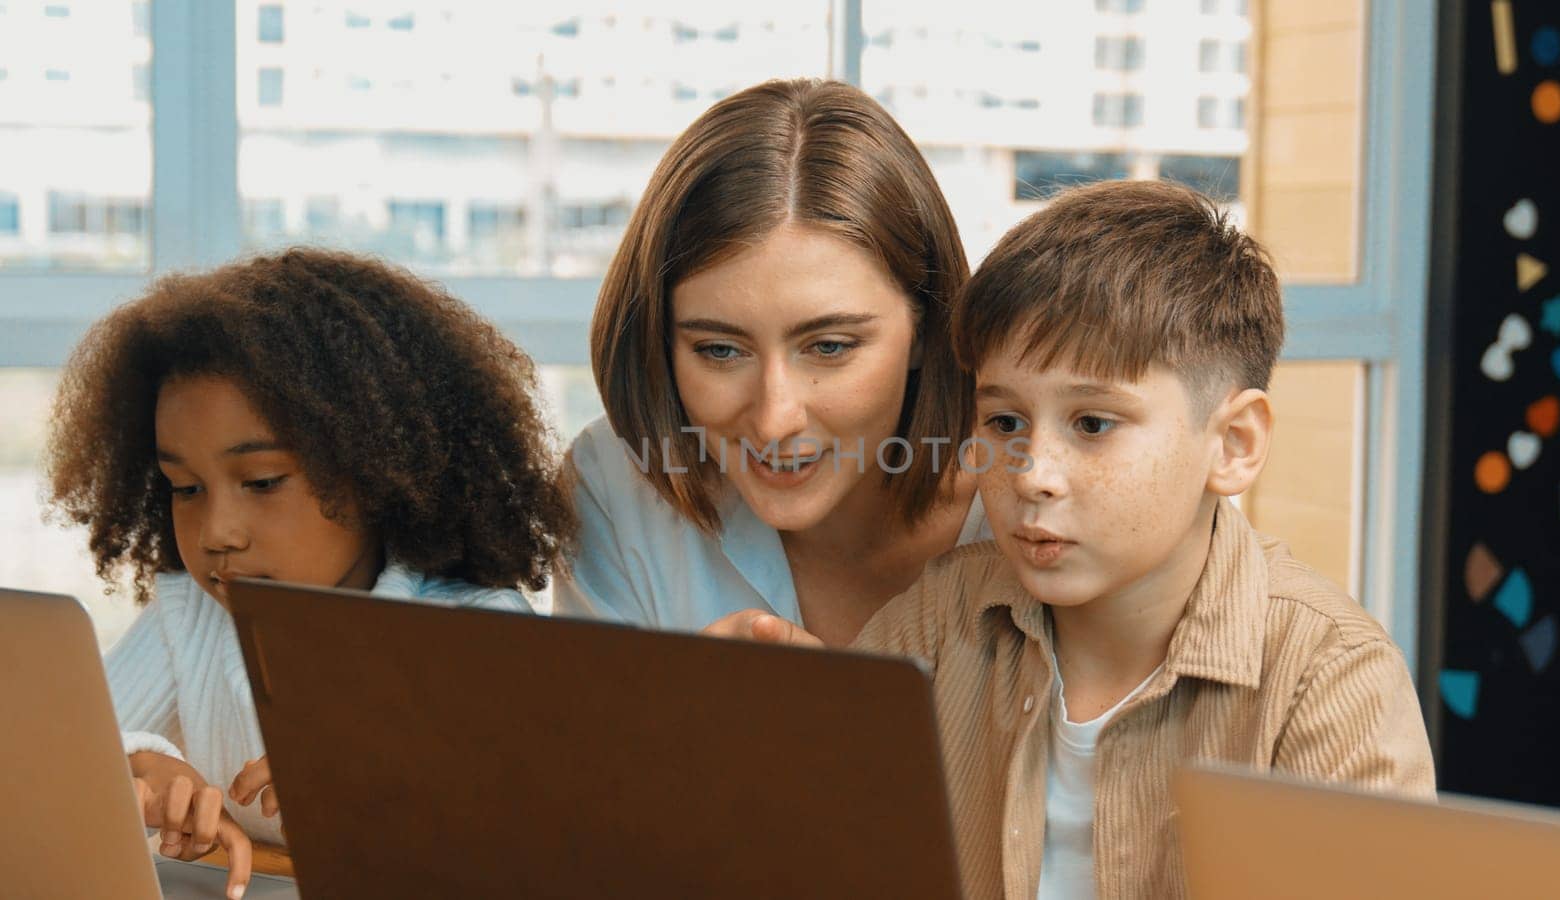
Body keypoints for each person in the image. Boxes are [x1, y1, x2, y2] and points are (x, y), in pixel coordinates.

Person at [711, 180, 1435, 899]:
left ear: (1234, 444)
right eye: (1004, 423)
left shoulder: (1331, 678)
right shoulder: (940, 618)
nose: (1033, 475)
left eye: (1092, 424)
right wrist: (784, 719)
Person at [46, 248, 575, 898]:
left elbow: (529, 835)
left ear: (378, 467)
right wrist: (143, 768)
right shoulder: (191, 616)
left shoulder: (479, 632)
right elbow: (59, 746)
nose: (217, 533)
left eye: (263, 481)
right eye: (184, 488)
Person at [555, 78, 988, 646]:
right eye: (720, 351)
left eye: (830, 347)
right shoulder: (615, 484)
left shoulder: (1035, 493)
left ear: (928, 330)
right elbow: (581, 732)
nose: (773, 420)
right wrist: (678, 710)